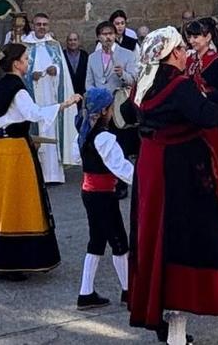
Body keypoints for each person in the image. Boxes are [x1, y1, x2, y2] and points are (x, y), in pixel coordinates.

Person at [129, 27, 218, 345]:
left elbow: (130, 113)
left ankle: (162, 313)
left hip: (151, 167)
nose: (186, 52)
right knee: (184, 241)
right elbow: (210, 115)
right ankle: (176, 328)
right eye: (181, 49)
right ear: (173, 53)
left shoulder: (143, 85)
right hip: (180, 172)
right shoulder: (179, 86)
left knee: (156, 237)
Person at [0, 42, 80, 279]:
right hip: (17, 152)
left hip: (0, 148)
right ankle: (11, 264)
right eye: (26, 59)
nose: (28, 63)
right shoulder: (17, 89)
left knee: (0, 203)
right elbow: (34, 113)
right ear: (15, 63)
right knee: (17, 203)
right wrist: (64, 104)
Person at [74, 85, 134, 310]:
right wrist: (143, 180)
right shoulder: (105, 137)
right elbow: (120, 167)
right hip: (102, 195)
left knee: (97, 241)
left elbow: (77, 156)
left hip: (89, 192)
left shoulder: (84, 133)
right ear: (103, 111)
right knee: (119, 241)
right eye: (110, 108)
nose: (112, 112)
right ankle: (129, 291)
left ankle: (86, 292)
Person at [183, 19, 218, 205]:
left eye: (196, 36)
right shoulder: (188, 61)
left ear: (208, 37)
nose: (192, 40)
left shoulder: (217, 62)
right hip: (191, 121)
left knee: (214, 165)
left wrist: (206, 94)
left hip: (210, 120)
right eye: (190, 36)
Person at [24, 13, 75, 182]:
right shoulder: (25, 45)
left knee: (52, 132)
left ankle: (54, 175)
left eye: (45, 24)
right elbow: (20, 70)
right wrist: (31, 76)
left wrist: (56, 71)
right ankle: (36, 173)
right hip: (34, 98)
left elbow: (62, 71)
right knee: (37, 129)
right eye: (38, 24)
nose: (41, 27)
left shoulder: (54, 46)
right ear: (33, 25)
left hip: (52, 97)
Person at [89, 21, 139, 98]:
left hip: (119, 101)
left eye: (111, 34)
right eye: (105, 34)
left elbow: (133, 81)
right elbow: (89, 83)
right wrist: (95, 97)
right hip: (98, 103)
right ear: (98, 37)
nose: (108, 37)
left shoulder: (128, 54)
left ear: (115, 35)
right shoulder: (92, 57)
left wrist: (122, 74)